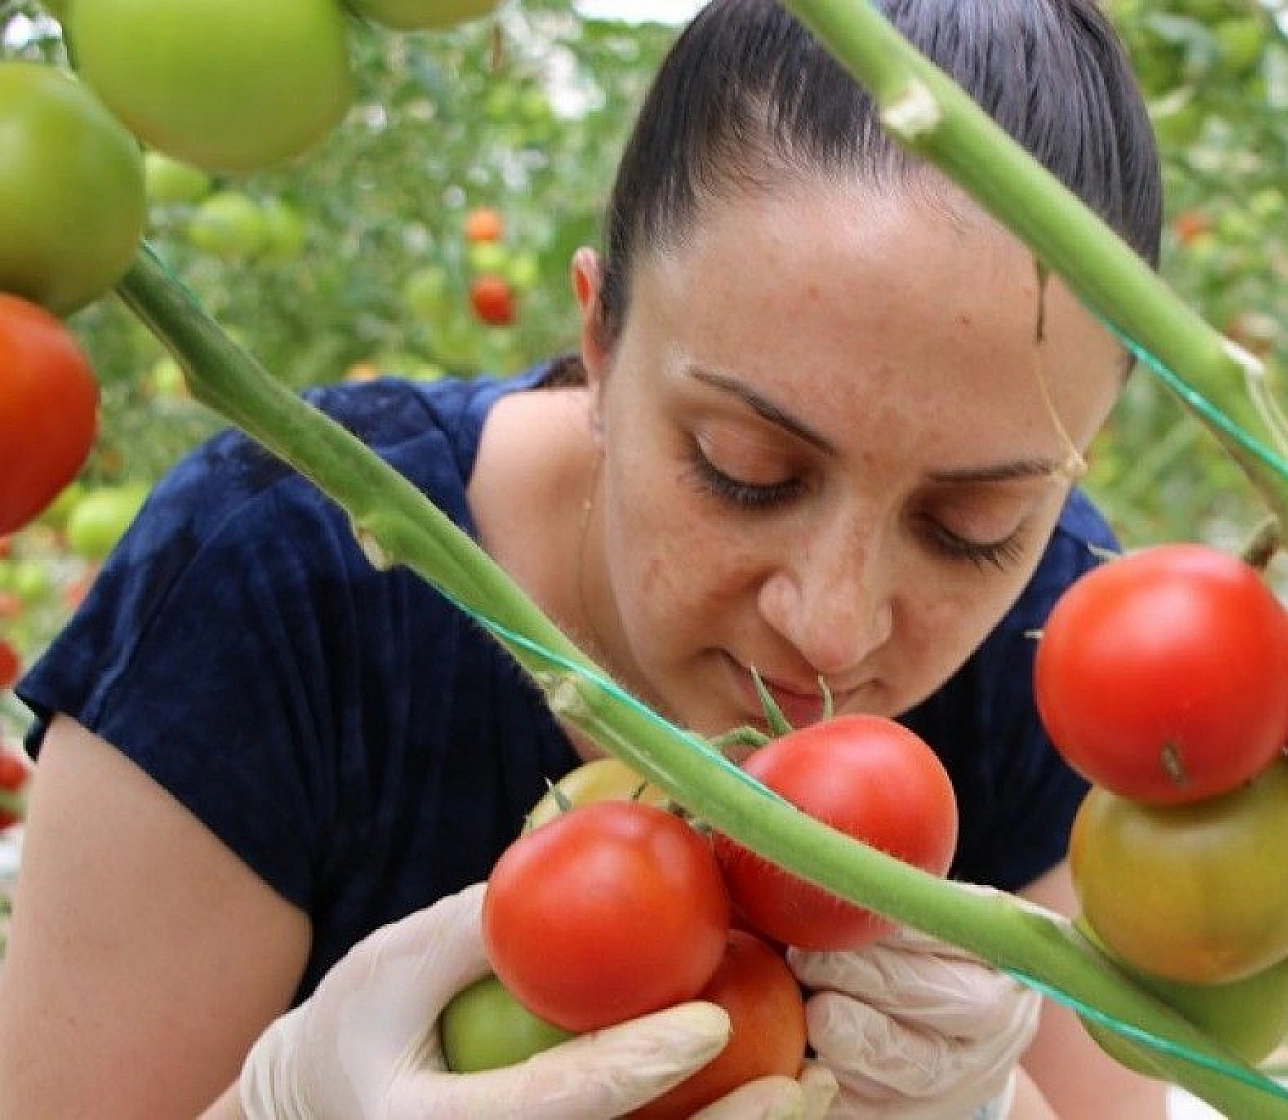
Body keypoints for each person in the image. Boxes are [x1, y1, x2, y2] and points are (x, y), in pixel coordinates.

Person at [0, 0, 1171, 1116]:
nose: (831, 626)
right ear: (598, 340)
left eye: (973, 526)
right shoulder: (269, 585)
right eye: (745, 466)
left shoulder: (1066, 651)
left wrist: (983, 1104)